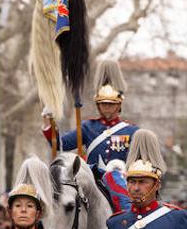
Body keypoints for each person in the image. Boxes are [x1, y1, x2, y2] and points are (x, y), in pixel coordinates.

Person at [42, 59, 138, 211]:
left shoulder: (131, 131)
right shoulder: (88, 127)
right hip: (93, 180)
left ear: (119, 105)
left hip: (122, 181)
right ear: (97, 105)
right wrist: (49, 123)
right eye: (103, 103)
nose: (107, 107)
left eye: (111, 104)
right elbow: (61, 144)